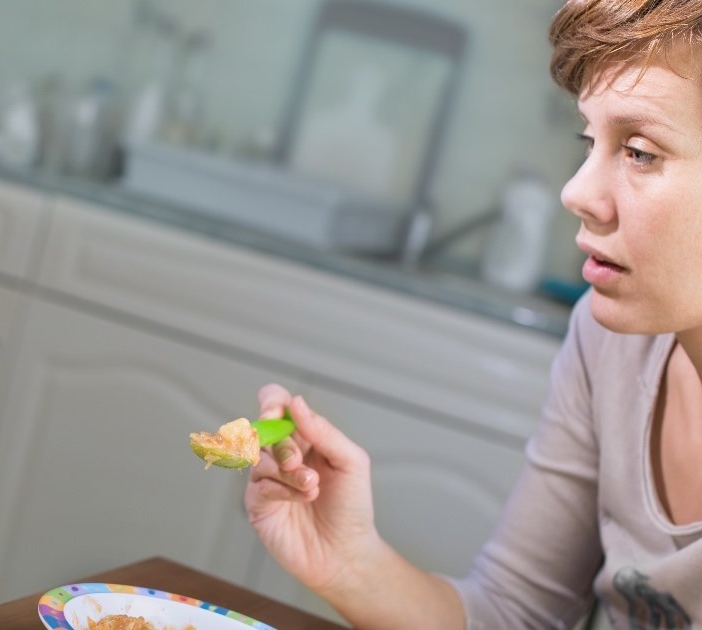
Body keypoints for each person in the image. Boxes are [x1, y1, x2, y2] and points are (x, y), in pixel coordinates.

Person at [244, 1, 702, 627]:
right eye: (591, 142)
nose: (575, 192)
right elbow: (513, 614)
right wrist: (349, 563)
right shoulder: (608, 343)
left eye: (641, 151)